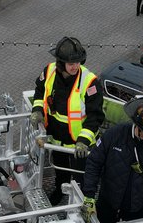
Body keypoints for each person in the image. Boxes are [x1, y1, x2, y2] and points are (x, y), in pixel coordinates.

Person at [32, 37, 104, 204]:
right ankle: (60, 190)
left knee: (81, 176)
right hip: (57, 140)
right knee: (60, 171)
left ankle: (81, 201)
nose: (75, 66)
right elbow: (39, 91)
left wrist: (83, 141)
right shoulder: (49, 71)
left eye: (78, 62)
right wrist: (36, 110)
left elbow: (95, 116)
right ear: (60, 62)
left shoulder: (89, 82)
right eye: (71, 63)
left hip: (80, 145)